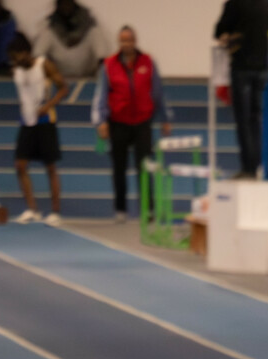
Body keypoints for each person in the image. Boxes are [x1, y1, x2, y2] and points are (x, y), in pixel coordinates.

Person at [92, 27, 174, 222]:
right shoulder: (109, 65)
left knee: (145, 167)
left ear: (135, 41)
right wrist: (100, 121)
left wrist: (165, 118)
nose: (126, 44)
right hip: (118, 123)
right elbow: (101, 94)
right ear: (119, 42)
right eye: (123, 40)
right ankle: (120, 209)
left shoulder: (148, 62)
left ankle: (148, 210)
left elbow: (158, 92)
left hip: (142, 122)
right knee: (118, 168)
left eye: (129, 40)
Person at [8, 33, 69, 225]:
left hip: (45, 122)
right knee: (20, 166)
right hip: (26, 122)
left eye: (18, 56)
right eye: (13, 57)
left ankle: (55, 212)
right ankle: (32, 209)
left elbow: (64, 88)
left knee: (50, 167)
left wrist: (48, 105)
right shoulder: (16, 70)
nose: (16, 60)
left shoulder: (44, 65)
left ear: (27, 52)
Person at [214, 0, 268, 179]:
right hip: (263, 67)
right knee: (257, 118)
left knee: (244, 120)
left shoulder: (235, 3)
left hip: (242, 67)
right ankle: (260, 164)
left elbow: (219, 31)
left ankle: (249, 168)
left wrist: (229, 36)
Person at [33, 0, 108, 79]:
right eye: (63, 4)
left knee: (95, 33)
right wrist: (50, 72)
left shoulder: (91, 29)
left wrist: (101, 79)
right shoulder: (50, 31)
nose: (66, 8)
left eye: (68, 4)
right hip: (60, 80)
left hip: (88, 79)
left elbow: (102, 58)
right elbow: (37, 56)